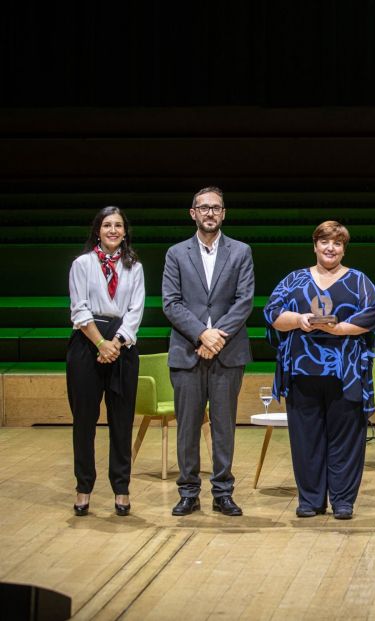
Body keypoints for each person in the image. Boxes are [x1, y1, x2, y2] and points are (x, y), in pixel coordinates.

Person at [264, 221, 375, 520]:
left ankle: (343, 500)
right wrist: (299, 319)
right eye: (325, 242)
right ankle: (311, 500)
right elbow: (273, 313)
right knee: (306, 439)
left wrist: (340, 329)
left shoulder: (359, 281)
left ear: (344, 248)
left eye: (338, 243)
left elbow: (373, 314)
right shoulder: (294, 279)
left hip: (346, 373)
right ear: (315, 245)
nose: (331, 248)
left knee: (346, 439)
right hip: (302, 371)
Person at [162, 187, 255, 517]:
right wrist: (202, 334)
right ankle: (188, 491)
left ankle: (223, 491)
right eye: (204, 208)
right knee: (187, 426)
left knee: (223, 425)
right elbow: (171, 302)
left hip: (228, 353)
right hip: (187, 350)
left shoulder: (241, 251)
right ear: (193, 213)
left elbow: (244, 301)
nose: (210, 213)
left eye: (216, 208)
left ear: (224, 213)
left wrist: (217, 338)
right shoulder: (176, 253)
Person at [67, 206, 145, 516]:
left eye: (118, 225)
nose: (113, 230)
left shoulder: (134, 266)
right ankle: (83, 487)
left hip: (122, 344)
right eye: (107, 225)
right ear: (97, 230)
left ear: (125, 232)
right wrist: (100, 342)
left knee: (122, 422)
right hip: (88, 343)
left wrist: (116, 343)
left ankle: (121, 489)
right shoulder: (82, 264)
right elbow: (79, 308)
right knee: (84, 422)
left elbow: (136, 310)